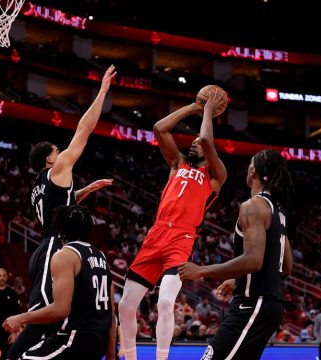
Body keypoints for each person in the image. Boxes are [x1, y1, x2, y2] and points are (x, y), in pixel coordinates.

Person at [7, 65, 116, 359]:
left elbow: (60, 208)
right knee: (45, 314)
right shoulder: (58, 168)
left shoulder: (38, 186)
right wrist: (103, 91)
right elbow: (84, 130)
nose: (62, 154)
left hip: (46, 246)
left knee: (50, 312)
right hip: (55, 246)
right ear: (49, 158)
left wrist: (84, 191)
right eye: (58, 151)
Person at [118, 89, 228, 360]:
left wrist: (207, 112)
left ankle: (162, 358)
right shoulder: (177, 164)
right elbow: (159, 128)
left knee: (166, 302)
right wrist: (193, 106)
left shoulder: (215, 177)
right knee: (125, 305)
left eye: (198, 144)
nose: (194, 144)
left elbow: (204, 138)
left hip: (181, 239)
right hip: (156, 234)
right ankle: (130, 357)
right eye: (190, 142)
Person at [178, 148, 294, 360]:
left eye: (250, 163)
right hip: (269, 305)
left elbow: (253, 260)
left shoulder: (253, 206)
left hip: (254, 304)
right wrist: (238, 279)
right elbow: (285, 265)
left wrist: (201, 271)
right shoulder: (278, 209)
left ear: (254, 172)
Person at [3, 205, 116, 360]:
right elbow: (111, 314)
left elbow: (61, 310)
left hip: (75, 339)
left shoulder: (64, 255)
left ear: (60, 229)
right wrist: (111, 356)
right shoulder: (102, 257)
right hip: (99, 340)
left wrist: (21, 318)